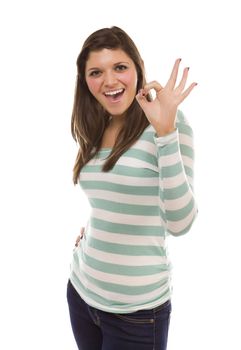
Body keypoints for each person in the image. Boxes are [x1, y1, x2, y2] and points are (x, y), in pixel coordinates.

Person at [67, 26, 198, 350]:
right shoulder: (98, 122)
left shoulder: (170, 122)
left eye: (120, 68)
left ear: (138, 69)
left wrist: (165, 132)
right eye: (96, 72)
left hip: (138, 313)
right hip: (83, 291)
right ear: (85, 81)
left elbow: (181, 223)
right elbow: (109, 197)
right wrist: (100, 230)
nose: (109, 81)